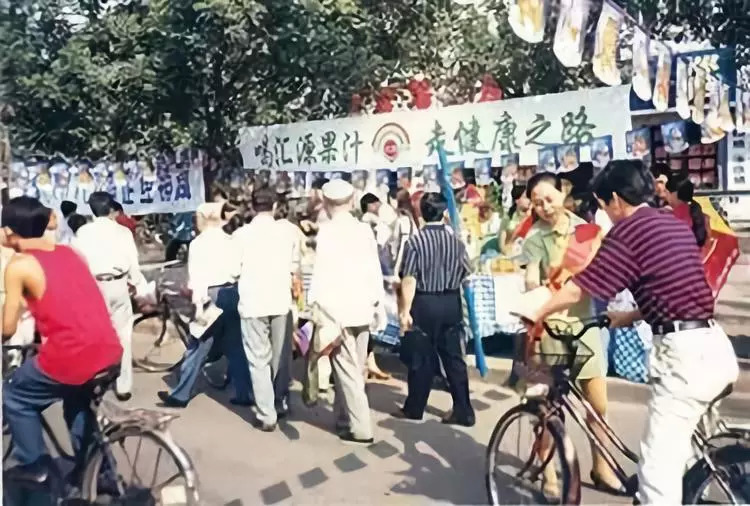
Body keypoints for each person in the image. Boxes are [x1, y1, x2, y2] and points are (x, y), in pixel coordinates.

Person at [526, 160, 738, 504]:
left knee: (656, 473)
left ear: (614, 199)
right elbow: (674, 289)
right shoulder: (672, 223)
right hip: (713, 347)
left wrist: (537, 312)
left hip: (684, 361)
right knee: (683, 457)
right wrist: (629, 316)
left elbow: (580, 288)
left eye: (603, 204)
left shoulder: (628, 231)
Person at [2, 196, 123, 481]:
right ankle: (100, 476)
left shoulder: (20, 265)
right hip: (109, 349)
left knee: (14, 396)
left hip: (71, 355)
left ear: (8, 231)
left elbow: (7, 328)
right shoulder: (70, 252)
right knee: (77, 404)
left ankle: (36, 469)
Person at [520, 172, 619, 494]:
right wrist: (536, 288)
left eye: (549, 199)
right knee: (547, 409)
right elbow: (531, 278)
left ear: (563, 193)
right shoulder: (534, 236)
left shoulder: (587, 232)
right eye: (537, 203)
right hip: (550, 330)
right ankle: (548, 473)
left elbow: (603, 275)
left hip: (584, 326)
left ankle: (602, 467)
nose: (545, 207)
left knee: (597, 406)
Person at [308, 179, 385, 444]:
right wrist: (378, 303)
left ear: (326, 202)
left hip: (337, 311)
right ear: (352, 201)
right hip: (363, 307)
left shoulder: (327, 232)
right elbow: (374, 268)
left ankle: (361, 429)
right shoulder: (364, 230)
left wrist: (313, 303)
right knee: (354, 369)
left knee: (348, 371)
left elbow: (320, 273)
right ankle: (344, 419)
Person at [158, 202, 252, 408]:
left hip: (210, 296)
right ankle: (245, 393)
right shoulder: (232, 241)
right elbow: (240, 269)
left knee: (198, 346)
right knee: (236, 346)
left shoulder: (198, 244)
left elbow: (196, 278)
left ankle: (180, 395)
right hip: (232, 293)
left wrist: (197, 305)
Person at [396, 192, 475, 427]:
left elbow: (409, 278)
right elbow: (467, 270)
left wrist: (405, 310)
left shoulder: (415, 242)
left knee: (421, 357)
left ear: (421, 212)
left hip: (425, 302)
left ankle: (415, 407)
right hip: (451, 302)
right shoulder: (456, 242)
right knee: (454, 358)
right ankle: (463, 409)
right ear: (444, 212)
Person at [72, 191, 147, 401]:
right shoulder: (123, 232)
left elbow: (76, 262)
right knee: (123, 335)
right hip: (119, 285)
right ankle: (123, 385)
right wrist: (137, 284)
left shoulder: (83, 233)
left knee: (94, 334)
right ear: (111, 209)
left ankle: (93, 379)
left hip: (93, 287)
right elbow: (133, 263)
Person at [235, 187, 297, 432]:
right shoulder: (288, 233)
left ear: (252, 206)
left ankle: (266, 413)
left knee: (258, 359)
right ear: (275, 206)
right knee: (281, 356)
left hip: (252, 302)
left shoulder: (241, 235)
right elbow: (295, 266)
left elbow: (232, 270)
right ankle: (280, 402)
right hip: (280, 301)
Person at [665, 176, 710, 252]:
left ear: (675, 194)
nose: (666, 196)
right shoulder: (695, 206)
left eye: (667, 192)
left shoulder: (676, 213)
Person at [499, 185, 530, 254]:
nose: (529, 200)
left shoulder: (533, 217)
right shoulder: (508, 218)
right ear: (517, 200)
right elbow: (502, 245)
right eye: (526, 197)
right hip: (509, 252)